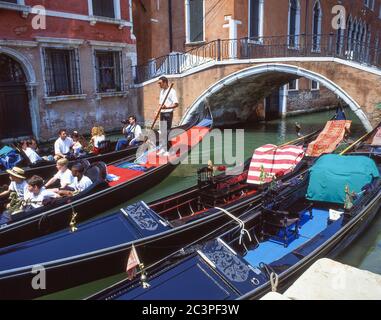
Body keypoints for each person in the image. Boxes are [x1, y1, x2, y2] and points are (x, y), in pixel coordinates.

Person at [157, 76, 179, 155]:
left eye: (160, 83)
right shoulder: (161, 91)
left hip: (168, 113)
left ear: (165, 82)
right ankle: (163, 148)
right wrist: (157, 111)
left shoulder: (172, 91)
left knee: (167, 131)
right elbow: (160, 103)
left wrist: (167, 107)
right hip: (162, 113)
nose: (159, 85)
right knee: (162, 132)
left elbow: (176, 104)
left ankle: (169, 150)